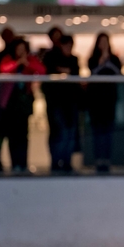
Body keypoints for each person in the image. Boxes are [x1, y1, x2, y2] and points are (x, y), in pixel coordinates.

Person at [0, 39, 46, 173]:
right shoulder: (8, 59)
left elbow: (41, 70)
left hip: (24, 103)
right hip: (10, 103)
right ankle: (13, 162)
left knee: (23, 135)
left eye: (23, 49)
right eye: (19, 49)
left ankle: (23, 163)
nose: (21, 51)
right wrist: (17, 63)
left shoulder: (30, 60)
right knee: (11, 135)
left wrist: (27, 63)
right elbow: (3, 69)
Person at [43, 34, 80, 172]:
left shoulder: (74, 59)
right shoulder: (52, 58)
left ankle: (66, 160)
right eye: (66, 45)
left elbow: (74, 73)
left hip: (71, 102)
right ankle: (56, 160)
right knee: (60, 132)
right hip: (57, 102)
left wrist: (63, 70)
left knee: (70, 132)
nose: (68, 48)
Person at [87, 32, 122, 173]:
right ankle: (98, 159)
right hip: (96, 101)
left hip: (109, 100)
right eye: (101, 42)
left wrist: (108, 61)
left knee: (108, 131)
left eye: (105, 42)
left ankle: (107, 159)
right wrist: (102, 61)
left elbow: (118, 73)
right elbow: (93, 72)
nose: (103, 45)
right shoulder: (92, 59)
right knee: (97, 131)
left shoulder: (115, 59)